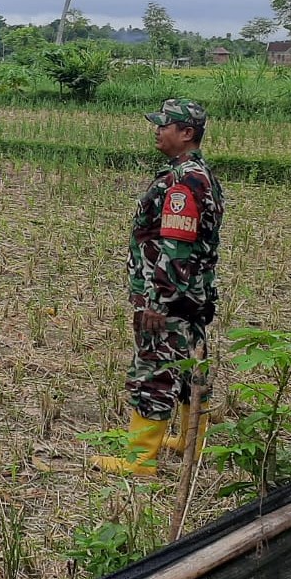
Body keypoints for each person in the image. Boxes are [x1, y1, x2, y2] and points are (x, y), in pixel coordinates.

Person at [90, 99, 224, 475]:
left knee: (154, 369)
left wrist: (157, 301)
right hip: (193, 297)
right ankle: (191, 442)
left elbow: (175, 248)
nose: (157, 130)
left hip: (171, 298)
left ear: (187, 133)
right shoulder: (201, 175)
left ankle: (139, 460)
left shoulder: (182, 182)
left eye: (165, 125)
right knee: (190, 368)